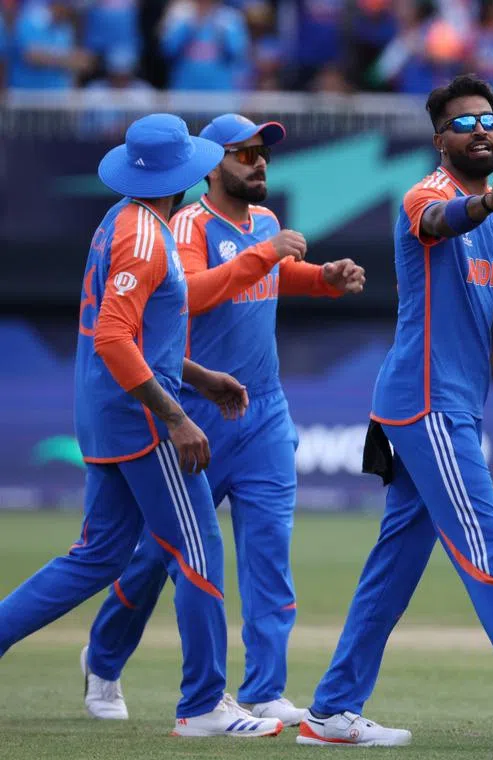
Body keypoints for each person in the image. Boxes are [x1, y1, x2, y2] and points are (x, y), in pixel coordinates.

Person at [297, 74, 493, 748]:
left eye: (488, 120)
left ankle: (330, 711)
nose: (480, 131)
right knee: (486, 536)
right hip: (425, 401)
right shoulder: (426, 195)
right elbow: (442, 222)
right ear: (441, 140)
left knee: (394, 568)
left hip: (454, 404)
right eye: (463, 123)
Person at [0, 113, 283, 738]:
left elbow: (138, 332)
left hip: (107, 414)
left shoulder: (120, 220)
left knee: (96, 556)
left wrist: (197, 377)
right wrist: (176, 416)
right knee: (199, 550)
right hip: (140, 422)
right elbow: (113, 337)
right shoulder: (147, 237)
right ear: (183, 173)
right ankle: (203, 707)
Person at [80, 113, 365, 727]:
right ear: (211, 165)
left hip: (264, 409)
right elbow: (194, 293)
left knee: (269, 554)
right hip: (196, 411)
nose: (259, 162)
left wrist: (322, 279)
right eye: (244, 153)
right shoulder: (186, 225)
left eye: (262, 152)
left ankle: (264, 689)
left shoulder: (263, 221)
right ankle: (102, 658)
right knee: (161, 557)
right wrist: (265, 256)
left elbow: (272, 276)